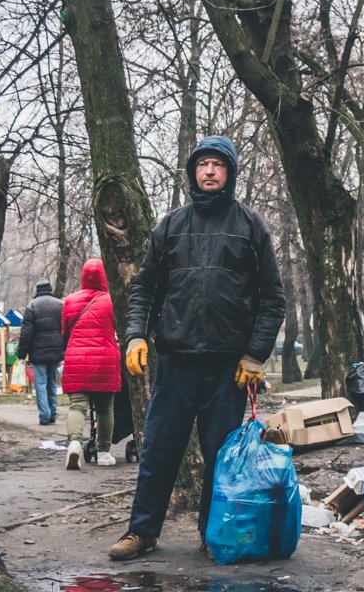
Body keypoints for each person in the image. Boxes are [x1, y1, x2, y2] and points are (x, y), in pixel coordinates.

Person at [108, 135, 285, 561]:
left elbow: (273, 298)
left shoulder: (250, 227)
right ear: (192, 172)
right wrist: (135, 335)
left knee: (219, 456)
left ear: (230, 173)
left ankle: (212, 534)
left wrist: (255, 354)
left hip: (229, 368)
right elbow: (144, 289)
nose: (209, 171)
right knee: (159, 450)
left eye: (217, 165)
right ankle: (142, 532)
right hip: (175, 361)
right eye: (203, 164)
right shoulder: (171, 226)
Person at [61, 258, 121, 469]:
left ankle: (74, 443)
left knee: (77, 406)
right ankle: (103, 452)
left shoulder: (70, 301)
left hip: (76, 359)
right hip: (105, 361)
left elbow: (65, 331)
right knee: (105, 409)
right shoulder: (112, 300)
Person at [18, 278, 65, 426]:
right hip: (56, 351)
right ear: (50, 289)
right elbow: (66, 328)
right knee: (52, 383)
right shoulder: (60, 305)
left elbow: (26, 334)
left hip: (38, 353)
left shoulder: (32, 306)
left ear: (37, 290)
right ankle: (53, 413)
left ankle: (45, 415)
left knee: (41, 384)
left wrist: (21, 353)